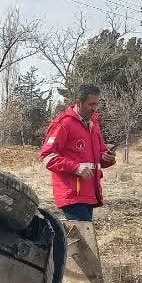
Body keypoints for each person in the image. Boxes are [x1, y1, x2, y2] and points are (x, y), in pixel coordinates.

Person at [40, 84, 116, 222]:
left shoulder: (93, 125)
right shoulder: (62, 124)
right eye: (91, 104)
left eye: (96, 104)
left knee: (83, 234)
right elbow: (47, 157)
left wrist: (107, 158)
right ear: (79, 102)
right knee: (83, 235)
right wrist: (76, 168)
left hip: (89, 193)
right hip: (72, 195)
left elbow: (99, 156)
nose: (94, 108)